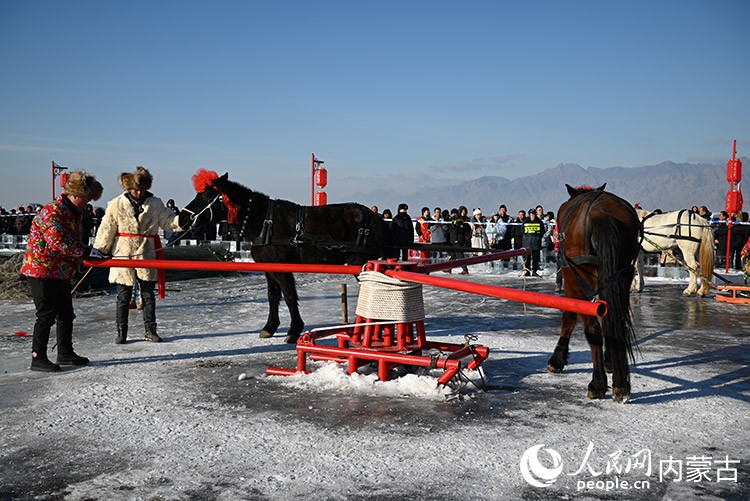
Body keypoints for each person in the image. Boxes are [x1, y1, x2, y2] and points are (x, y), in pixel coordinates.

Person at [20, 170, 104, 372]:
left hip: (60, 272)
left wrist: (88, 252)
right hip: (42, 271)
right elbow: (58, 242)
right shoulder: (52, 212)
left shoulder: (73, 213)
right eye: (85, 198)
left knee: (66, 314)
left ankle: (65, 352)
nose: (87, 203)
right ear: (74, 195)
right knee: (46, 315)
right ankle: (37, 357)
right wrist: (85, 251)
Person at [94, 166, 181, 344]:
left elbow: (169, 222)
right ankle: (121, 332)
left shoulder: (155, 203)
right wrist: (100, 249)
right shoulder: (116, 203)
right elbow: (107, 228)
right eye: (135, 189)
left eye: (141, 188)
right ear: (128, 188)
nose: (138, 192)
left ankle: (150, 330)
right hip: (122, 252)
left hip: (147, 250)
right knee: (123, 296)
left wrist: (184, 220)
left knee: (148, 294)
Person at [447, 207, 471, 274]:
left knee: (459, 254)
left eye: (464, 211)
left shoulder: (461, 221)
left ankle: (464, 269)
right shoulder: (454, 220)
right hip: (454, 239)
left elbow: (460, 230)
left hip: (459, 239)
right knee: (453, 255)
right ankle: (448, 267)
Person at [522, 209, 543, 276]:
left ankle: (534, 271)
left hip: (536, 243)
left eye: (534, 214)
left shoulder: (539, 222)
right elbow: (522, 230)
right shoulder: (525, 222)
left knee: (535, 258)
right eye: (531, 214)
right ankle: (527, 271)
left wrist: (538, 238)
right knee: (527, 258)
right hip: (527, 243)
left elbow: (542, 231)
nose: (532, 216)